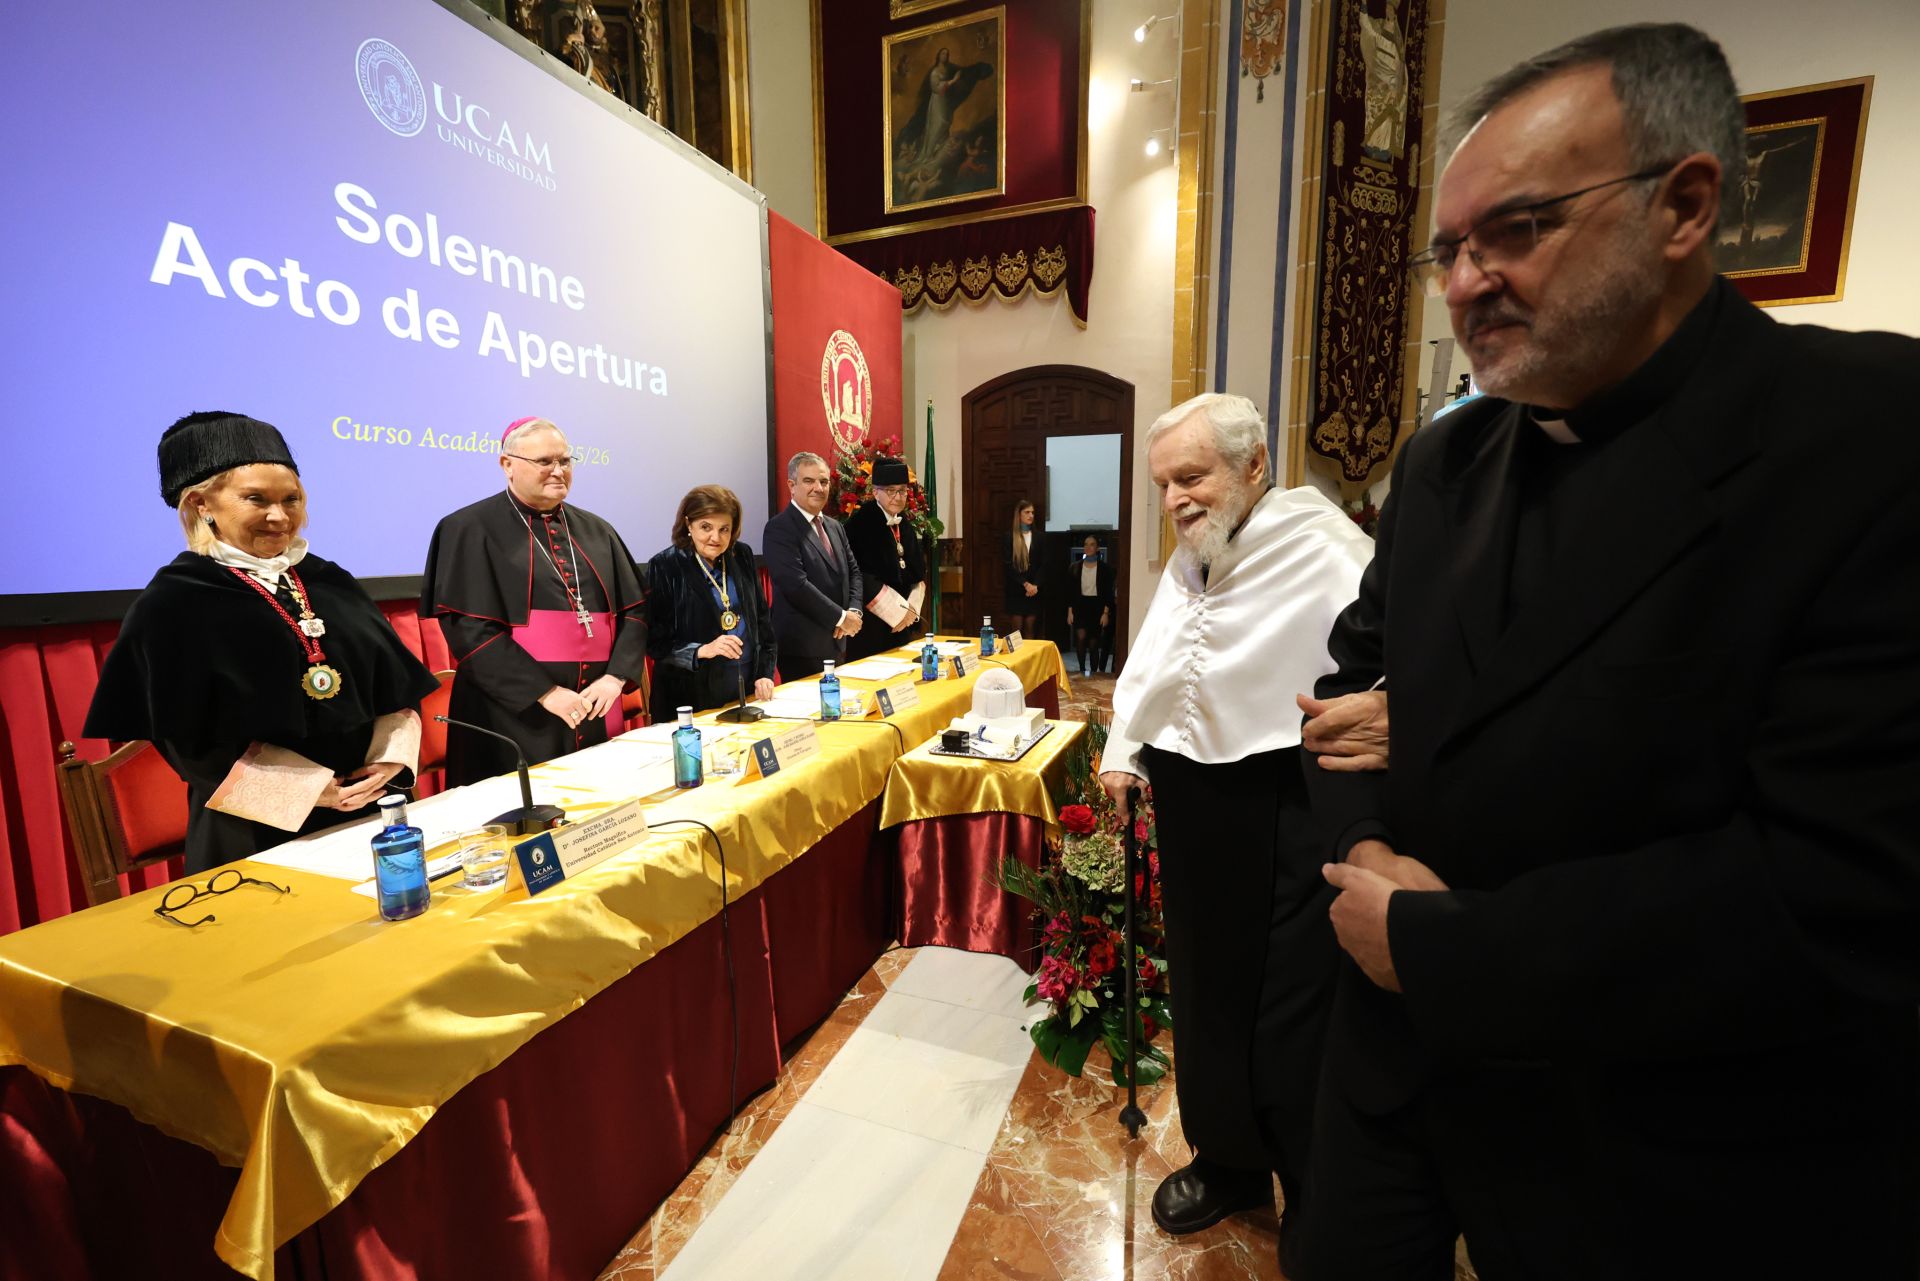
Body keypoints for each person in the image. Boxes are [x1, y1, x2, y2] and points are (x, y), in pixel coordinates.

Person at [1296, 24, 1920, 1280]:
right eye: (1449, 250)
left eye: (1516, 230)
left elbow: (1837, 891)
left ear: (1683, 206)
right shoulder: (1442, 462)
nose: (1467, 282)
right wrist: (1363, 847)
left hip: (1660, 1147)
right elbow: (1345, 697)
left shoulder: (1867, 442)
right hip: (1391, 1091)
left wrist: (1439, 944)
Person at [1098, 393, 1374, 1243]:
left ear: (1254, 466)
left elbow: (1389, 645)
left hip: (1286, 796)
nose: (1177, 498)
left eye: (1193, 475)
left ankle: (1309, 1183)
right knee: (1206, 985)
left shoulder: (1323, 543)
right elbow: (1158, 652)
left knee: (1291, 1000)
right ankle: (1227, 1158)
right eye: (1164, 484)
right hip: (1195, 801)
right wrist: (1122, 746)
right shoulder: (1194, 554)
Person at [84, 412, 438, 873]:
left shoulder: (330, 581)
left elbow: (396, 689)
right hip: (256, 833)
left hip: (370, 809)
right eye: (256, 499)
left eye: (291, 499)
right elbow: (190, 743)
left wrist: (390, 762)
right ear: (201, 504)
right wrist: (310, 789)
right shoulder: (174, 600)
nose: (280, 516)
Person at [420, 417, 648, 786]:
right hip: (512, 715)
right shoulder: (466, 528)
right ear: (507, 465)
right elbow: (470, 631)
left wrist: (615, 677)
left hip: (596, 706)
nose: (558, 471)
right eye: (545, 461)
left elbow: (633, 612)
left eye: (565, 461)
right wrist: (545, 692)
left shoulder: (598, 529)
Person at [645, 485, 777, 713]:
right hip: (690, 697)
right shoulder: (666, 566)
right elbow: (655, 644)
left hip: (745, 690)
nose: (715, 537)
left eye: (724, 529)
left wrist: (764, 674)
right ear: (688, 524)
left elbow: (763, 623)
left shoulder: (742, 555)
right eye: (706, 527)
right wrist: (702, 650)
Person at [763, 452, 863, 681]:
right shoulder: (779, 528)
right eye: (808, 481)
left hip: (838, 640)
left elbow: (854, 572)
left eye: (824, 481)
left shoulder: (835, 526)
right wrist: (840, 618)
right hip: (801, 648)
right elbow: (795, 585)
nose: (818, 487)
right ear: (792, 485)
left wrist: (854, 613)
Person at [842, 457, 927, 661]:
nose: (898, 497)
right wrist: (898, 614)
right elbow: (859, 575)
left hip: (903, 625)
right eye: (891, 491)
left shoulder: (904, 523)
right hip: (872, 625)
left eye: (903, 490)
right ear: (875, 492)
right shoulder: (859, 524)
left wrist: (911, 611)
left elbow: (917, 572)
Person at [1065, 534, 1115, 677]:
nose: (1088, 547)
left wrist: (1105, 613)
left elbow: (1108, 593)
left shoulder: (1105, 569)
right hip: (1080, 606)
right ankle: (1081, 670)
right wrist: (1070, 612)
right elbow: (1070, 591)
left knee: (1094, 643)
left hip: (1097, 607)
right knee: (1080, 637)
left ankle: (1093, 672)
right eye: (1086, 544)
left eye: (1092, 544)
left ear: (1097, 548)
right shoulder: (1075, 567)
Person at [1002, 498, 1044, 638]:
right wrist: (1025, 584)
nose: (1031, 515)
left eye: (1032, 512)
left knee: (1030, 627)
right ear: (1019, 515)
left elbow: (1043, 564)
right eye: (1027, 512)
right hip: (1017, 588)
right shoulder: (1009, 537)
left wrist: (1035, 585)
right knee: (1016, 630)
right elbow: (1008, 565)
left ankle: (1030, 660)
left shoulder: (1039, 537)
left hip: (1033, 590)